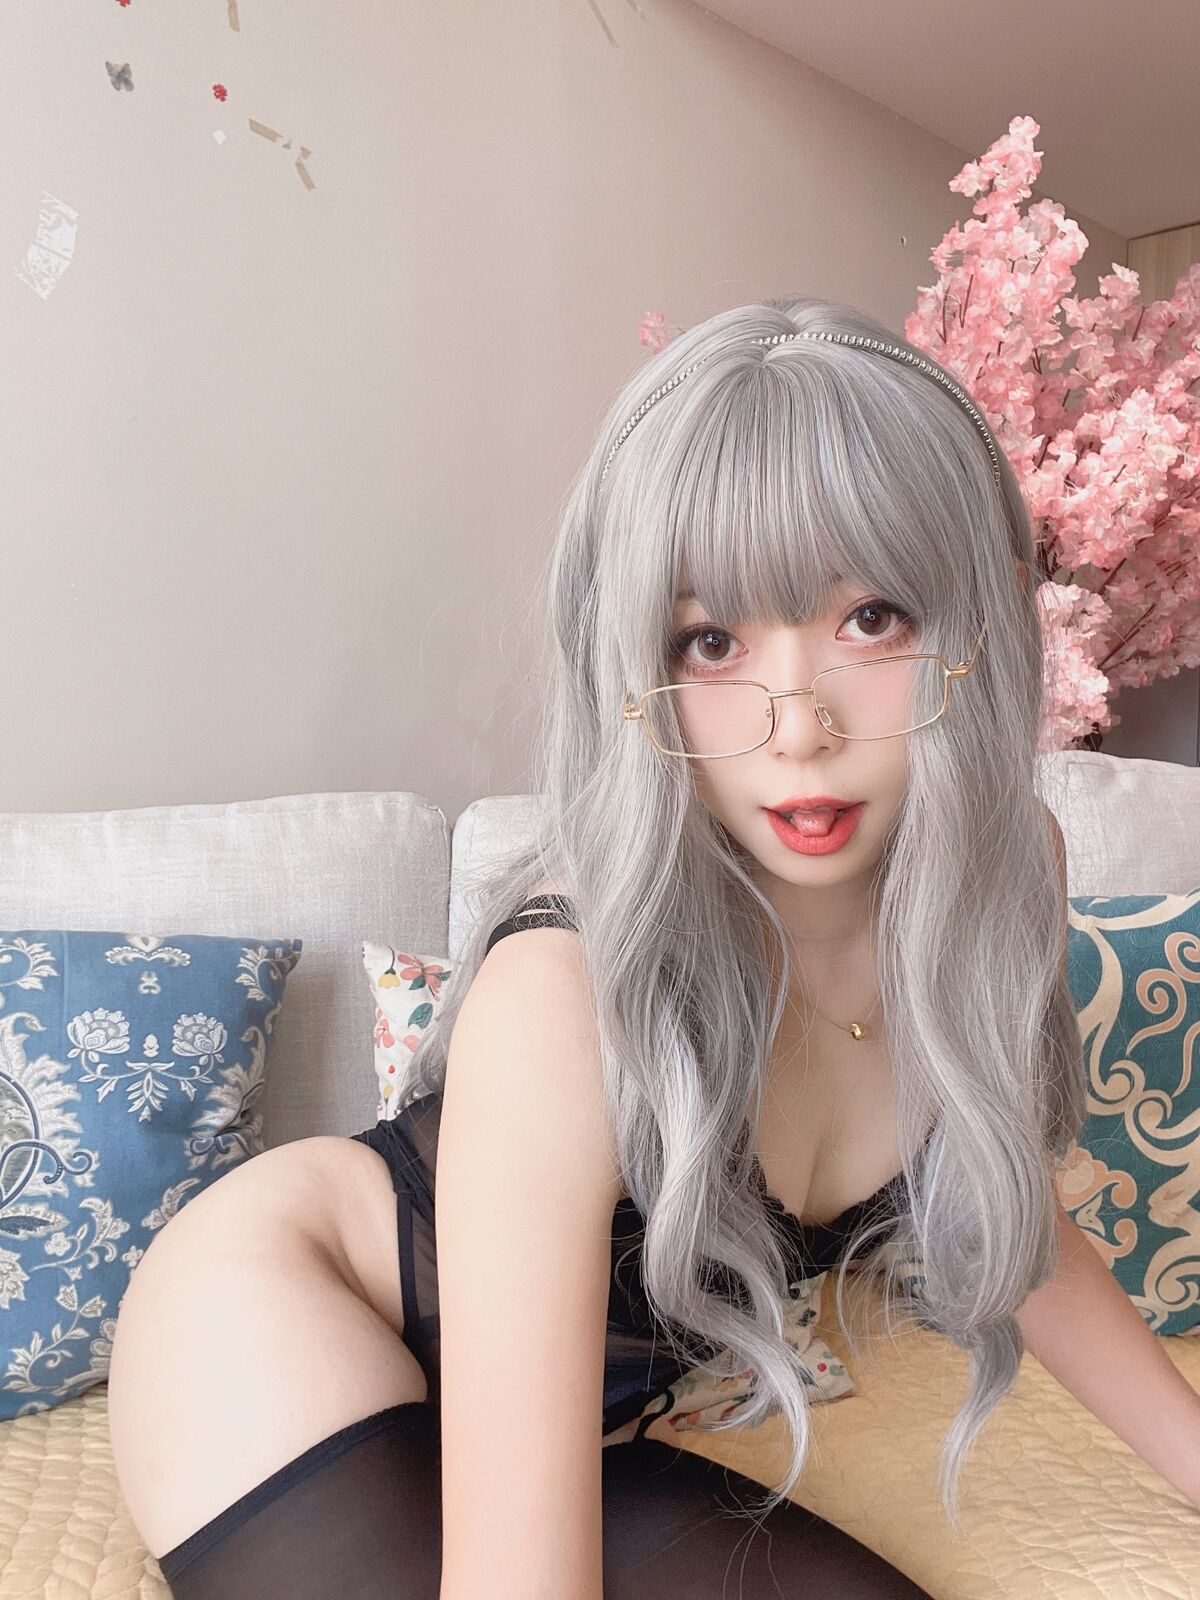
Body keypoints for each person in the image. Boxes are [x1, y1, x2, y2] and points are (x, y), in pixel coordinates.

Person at [106, 296, 1083, 1598]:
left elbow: (1008, 1201)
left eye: (872, 619)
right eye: (711, 641)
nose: (798, 725)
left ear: (986, 616)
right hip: (290, 1312)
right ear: (635, 670)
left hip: (566, 1402)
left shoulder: (998, 886)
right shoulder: (565, 987)